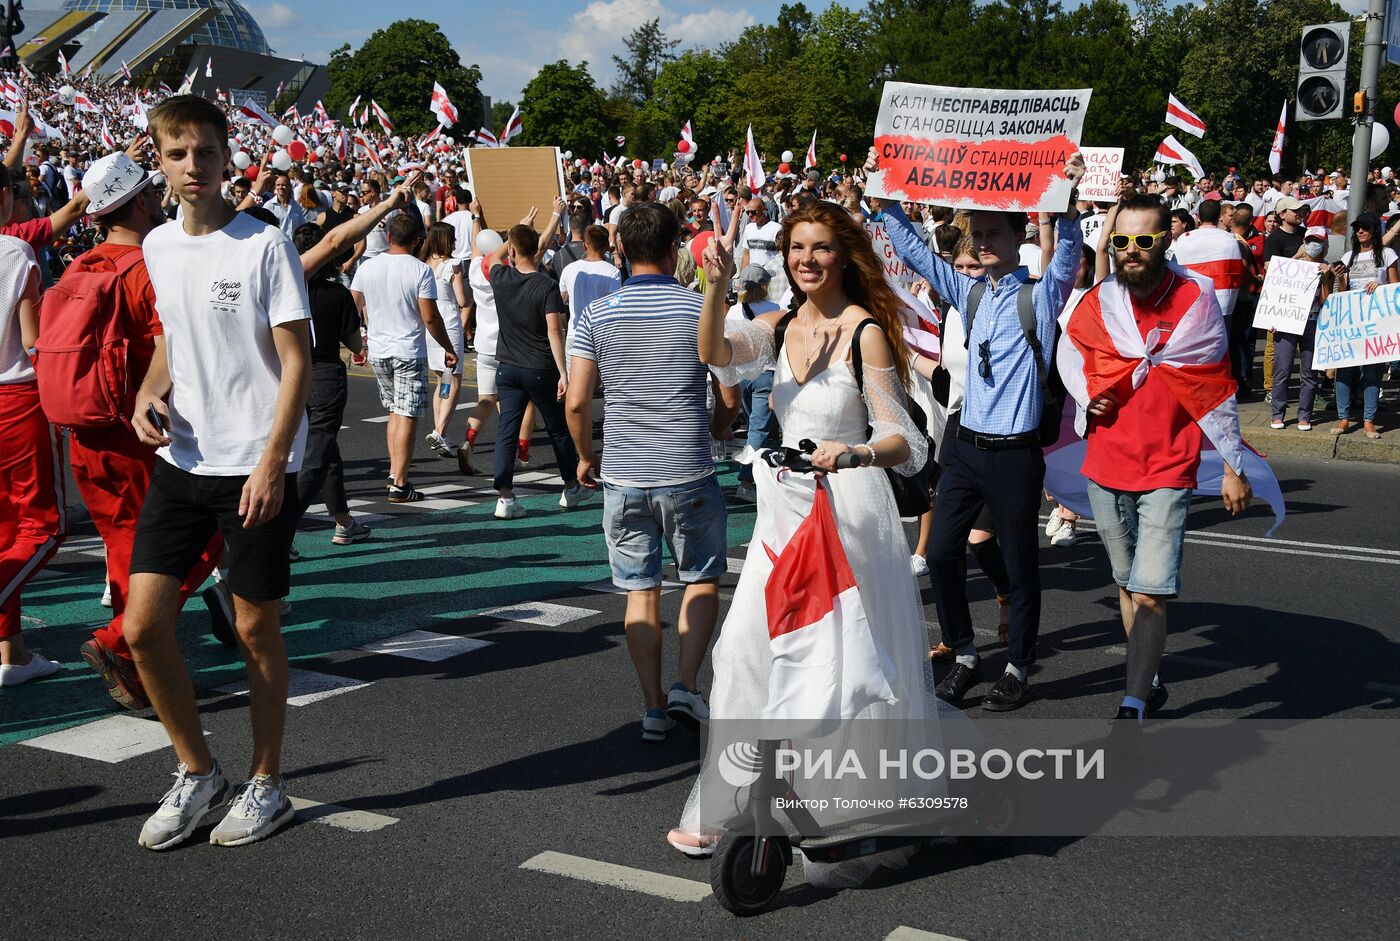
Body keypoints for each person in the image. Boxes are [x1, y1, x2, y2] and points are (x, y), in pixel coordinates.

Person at [672, 199, 937, 865]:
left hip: (845, 518)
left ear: (844, 254)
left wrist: (851, 454)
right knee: (740, 651)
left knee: (833, 670)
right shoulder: (779, 323)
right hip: (782, 513)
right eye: (796, 248)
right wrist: (715, 286)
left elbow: (902, 440)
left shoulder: (863, 331)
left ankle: (829, 802)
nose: (806, 260)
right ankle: (728, 802)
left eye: (820, 247)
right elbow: (716, 354)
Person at [124, 95, 312, 848]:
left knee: (253, 626)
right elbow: (173, 335)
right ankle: (199, 771)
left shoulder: (262, 245)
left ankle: (267, 782)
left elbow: (298, 359)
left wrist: (272, 461)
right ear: (160, 162)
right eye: (178, 155)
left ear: (229, 157)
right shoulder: (157, 246)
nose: (193, 166)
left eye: (205, 152)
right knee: (141, 628)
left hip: (253, 464)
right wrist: (147, 390)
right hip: (184, 460)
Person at [873, 148, 1086, 711]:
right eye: (978, 234)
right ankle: (966, 653)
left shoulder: (1037, 295)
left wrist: (1062, 202)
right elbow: (918, 254)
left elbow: (1065, 257)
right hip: (966, 445)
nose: (984, 242)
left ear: (1019, 239)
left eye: (996, 232)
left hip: (1015, 454)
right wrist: (887, 198)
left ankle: (1017, 663)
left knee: (1018, 562)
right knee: (941, 553)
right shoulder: (970, 292)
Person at [1060, 193, 1252, 729]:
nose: (1131, 251)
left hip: (1170, 467)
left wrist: (1233, 466)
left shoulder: (1195, 298)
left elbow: (1214, 386)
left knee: (1149, 591)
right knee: (1126, 583)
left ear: (1168, 239)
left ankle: (1134, 702)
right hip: (1106, 464)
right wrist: (1088, 394)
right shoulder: (1099, 302)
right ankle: (1151, 679)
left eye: (1144, 240)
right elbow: (1071, 356)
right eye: (1121, 241)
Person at [58, 152, 223, 707]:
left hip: (84, 430)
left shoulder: (80, 265)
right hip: (140, 431)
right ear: (144, 200)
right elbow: (171, 348)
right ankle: (121, 641)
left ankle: (142, 674)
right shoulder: (146, 267)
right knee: (197, 540)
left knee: (124, 548)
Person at [564, 202, 725, 742]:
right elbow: (727, 388)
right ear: (676, 246)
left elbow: (578, 400)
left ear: (621, 251)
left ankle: (653, 704)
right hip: (688, 462)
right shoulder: (697, 308)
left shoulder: (596, 314)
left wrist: (585, 456)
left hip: (625, 467)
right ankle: (686, 685)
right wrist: (722, 425)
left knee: (640, 590)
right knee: (700, 578)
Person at [0, 163, 65, 688]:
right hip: (15, 398)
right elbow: (33, 341)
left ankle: (14, 652)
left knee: (5, 532)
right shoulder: (15, 253)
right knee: (44, 527)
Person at [487, 203, 591, 519]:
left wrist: (517, 228)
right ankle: (571, 486)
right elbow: (554, 331)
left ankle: (504, 496)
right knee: (557, 427)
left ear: (513, 251)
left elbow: (493, 257)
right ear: (537, 250)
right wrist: (563, 371)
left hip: (507, 366)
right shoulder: (545, 284)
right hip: (539, 367)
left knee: (507, 429)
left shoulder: (501, 277)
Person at [350, 213, 459, 502]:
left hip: (380, 348)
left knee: (394, 412)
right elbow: (430, 317)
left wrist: (356, 344)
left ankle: (394, 472)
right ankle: (400, 481)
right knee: (407, 415)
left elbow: (352, 307)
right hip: (408, 349)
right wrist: (447, 346)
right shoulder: (419, 270)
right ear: (416, 240)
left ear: (388, 237)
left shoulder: (367, 267)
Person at [291, 222, 370, 545]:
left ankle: (343, 519)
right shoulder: (337, 294)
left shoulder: (286, 288)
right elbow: (353, 344)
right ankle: (283, 527)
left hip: (289, 373)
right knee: (317, 451)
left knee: (325, 450)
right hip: (324, 372)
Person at [1330, 211, 1391, 439]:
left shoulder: (1387, 254)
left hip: (1376, 322)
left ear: (1375, 229)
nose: (1361, 231)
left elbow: (1395, 287)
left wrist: (1380, 286)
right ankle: (1344, 417)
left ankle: (1368, 420)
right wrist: (1339, 278)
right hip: (1352, 322)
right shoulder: (1349, 257)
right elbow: (1343, 291)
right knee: (1345, 371)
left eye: (1365, 227)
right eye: (1357, 228)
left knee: (1372, 372)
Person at [726, 263, 781, 502]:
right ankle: (747, 479)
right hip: (766, 373)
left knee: (753, 427)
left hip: (742, 374)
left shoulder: (734, 311)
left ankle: (756, 476)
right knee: (758, 430)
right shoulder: (774, 308)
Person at [1269, 227, 1328, 431]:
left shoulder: (1325, 269)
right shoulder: (1289, 266)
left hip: (1312, 322)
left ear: (1325, 245)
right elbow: (1275, 293)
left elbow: (1325, 301)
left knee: (1309, 373)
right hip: (1287, 323)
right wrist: (1272, 319)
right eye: (1310, 240)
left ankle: (1304, 415)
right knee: (1282, 370)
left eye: (1318, 241)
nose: (1314, 245)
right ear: (1303, 243)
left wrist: (1327, 278)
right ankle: (1278, 414)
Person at [419, 221, 469, 457]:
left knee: (442, 379)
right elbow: (461, 300)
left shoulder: (423, 264)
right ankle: (440, 431)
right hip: (448, 322)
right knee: (454, 379)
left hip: (430, 325)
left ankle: (441, 432)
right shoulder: (453, 265)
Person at [558, 223, 621, 337]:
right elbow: (614, 307)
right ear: (606, 245)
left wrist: (565, 327)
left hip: (575, 334)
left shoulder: (569, 269)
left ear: (585, 246)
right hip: (601, 335)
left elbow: (559, 304)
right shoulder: (613, 272)